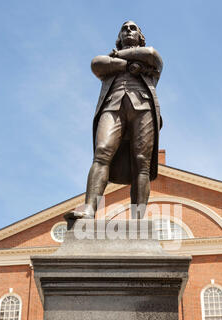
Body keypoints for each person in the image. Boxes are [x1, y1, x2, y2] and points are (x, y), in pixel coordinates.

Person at [67, 20, 163, 221]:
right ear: (119, 38)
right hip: (113, 106)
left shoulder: (149, 59)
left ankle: (139, 218)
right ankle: (89, 209)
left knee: (141, 162)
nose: (128, 31)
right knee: (101, 152)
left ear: (140, 37)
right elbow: (96, 64)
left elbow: (152, 54)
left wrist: (118, 57)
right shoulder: (108, 60)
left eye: (133, 28)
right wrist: (128, 64)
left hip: (143, 107)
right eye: (124, 29)